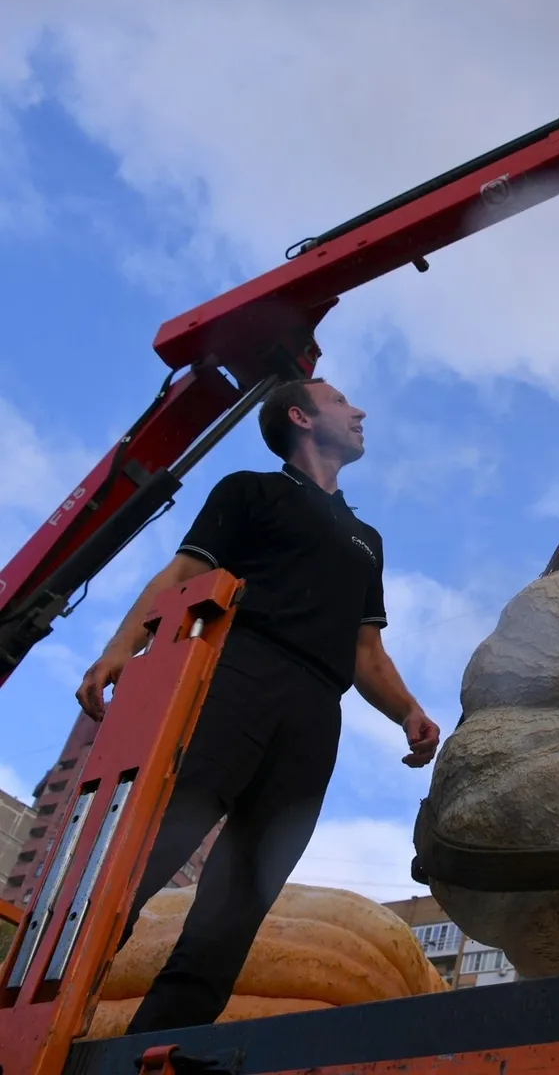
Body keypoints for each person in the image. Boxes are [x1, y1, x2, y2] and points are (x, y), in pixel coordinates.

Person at [75, 377, 440, 1035]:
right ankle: (54, 1004)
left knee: (247, 886)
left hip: (316, 711)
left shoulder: (367, 539)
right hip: (239, 673)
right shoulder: (249, 491)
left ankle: (159, 1042)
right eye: (340, 401)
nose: (359, 410)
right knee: (157, 840)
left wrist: (408, 711)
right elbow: (182, 576)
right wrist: (119, 648)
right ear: (301, 417)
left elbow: (366, 651)